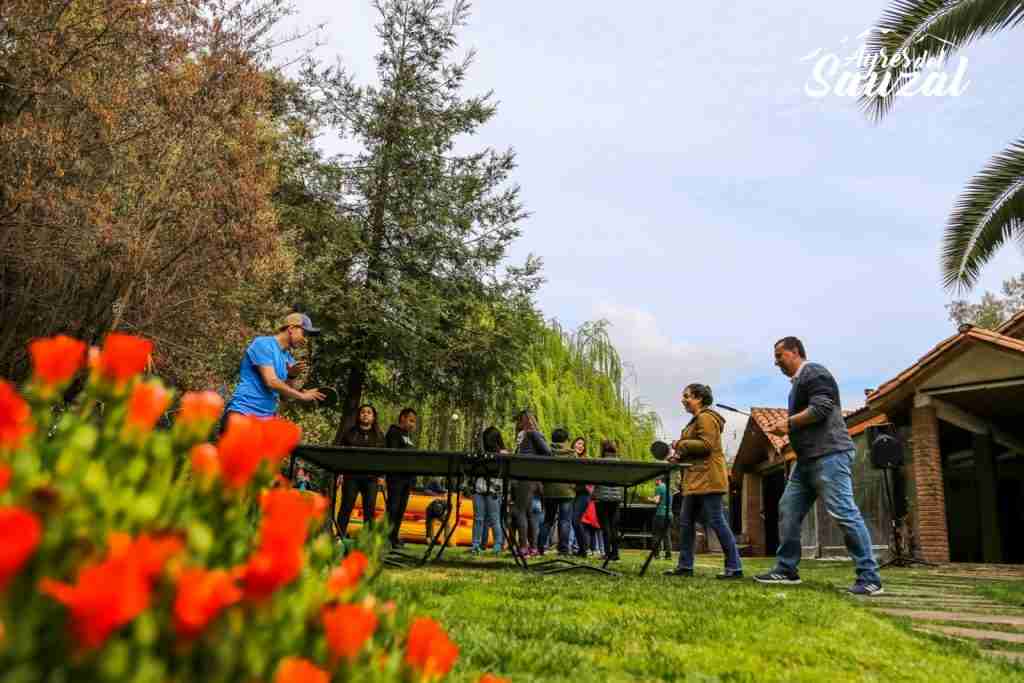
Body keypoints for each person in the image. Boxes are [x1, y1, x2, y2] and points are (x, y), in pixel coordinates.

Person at [757, 337, 883, 596]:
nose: (776, 361)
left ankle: (870, 578)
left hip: (830, 454)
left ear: (795, 352)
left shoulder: (813, 372)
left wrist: (788, 423)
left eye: (779, 355)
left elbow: (822, 408)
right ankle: (786, 569)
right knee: (788, 510)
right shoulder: (796, 386)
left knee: (844, 513)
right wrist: (789, 428)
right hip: (806, 461)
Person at [665, 384, 743, 579]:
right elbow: (696, 450)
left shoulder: (706, 418)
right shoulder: (695, 420)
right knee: (686, 522)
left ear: (699, 398)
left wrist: (679, 444)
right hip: (695, 479)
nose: (683, 400)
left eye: (687, 396)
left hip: (709, 479)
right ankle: (685, 566)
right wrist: (679, 457)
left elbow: (707, 446)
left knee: (717, 521)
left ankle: (734, 567)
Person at [222, 312, 325, 426]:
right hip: (242, 415)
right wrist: (302, 396)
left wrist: (292, 375)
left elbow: (284, 397)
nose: (305, 340)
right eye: (304, 333)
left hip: (264, 422)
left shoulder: (289, 359)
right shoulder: (263, 344)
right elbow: (271, 382)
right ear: (291, 328)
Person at [335, 404, 384, 539]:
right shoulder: (349, 433)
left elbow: (383, 458)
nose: (365, 414)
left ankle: (367, 539)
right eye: (363, 412)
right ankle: (339, 536)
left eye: (369, 412)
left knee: (369, 510)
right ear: (358, 415)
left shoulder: (379, 436)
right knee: (346, 507)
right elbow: (341, 455)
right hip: (351, 477)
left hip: (371, 479)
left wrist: (381, 476)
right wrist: (339, 473)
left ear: (373, 417)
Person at [512, 410, 549, 557]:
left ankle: (523, 547)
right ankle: (532, 547)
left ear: (523, 421)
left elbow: (547, 452)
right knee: (527, 513)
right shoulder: (524, 436)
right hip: (526, 476)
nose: (517, 424)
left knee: (519, 511)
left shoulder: (532, 434)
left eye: (518, 421)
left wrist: (532, 462)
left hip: (527, 475)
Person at [537, 428, 575, 556]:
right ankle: (563, 549)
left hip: (550, 491)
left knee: (548, 520)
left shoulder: (547, 452)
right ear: (566, 439)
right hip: (567, 491)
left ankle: (540, 546)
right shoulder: (571, 454)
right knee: (565, 521)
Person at [469, 426, 506, 554]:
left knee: (494, 518)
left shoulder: (503, 454)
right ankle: (475, 545)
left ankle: (497, 545)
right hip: (479, 487)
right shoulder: (480, 453)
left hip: (493, 490)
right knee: (479, 518)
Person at [384, 408, 417, 549]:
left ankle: (394, 537)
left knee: (401, 509)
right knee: (393, 508)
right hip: (396, 478)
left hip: (407, 479)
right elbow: (393, 455)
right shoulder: (393, 432)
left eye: (414, 422)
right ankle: (386, 538)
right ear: (402, 418)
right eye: (410, 420)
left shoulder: (408, 437)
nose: (412, 424)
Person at [592, 440, 623, 562]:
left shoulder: (600, 462)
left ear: (603, 450)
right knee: (614, 526)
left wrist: (593, 495)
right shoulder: (620, 463)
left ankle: (607, 553)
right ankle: (615, 554)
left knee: (605, 527)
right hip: (615, 499)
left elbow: (595, 480)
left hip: (602, 499)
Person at [569, 437, 593, 558]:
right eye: (578, 444)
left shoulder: (586, 459)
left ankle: (583, 549)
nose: (581, 446)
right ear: (573, 444)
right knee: (575, 521)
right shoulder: (570, 458)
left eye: (582, 445)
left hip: (583, 493)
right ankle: (582, 549)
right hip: (573, 493)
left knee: (576, 520)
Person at [651, 476, 672, 560]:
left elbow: (656, 501)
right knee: (666, 535)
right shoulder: (669, 488)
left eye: (654, 480)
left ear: (658, 480)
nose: (654, 482)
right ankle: (668, 555)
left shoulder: (659, 488)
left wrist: (650, 499)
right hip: (669, 514)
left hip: (660, 514)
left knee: (656, 534)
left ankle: (656, 555)